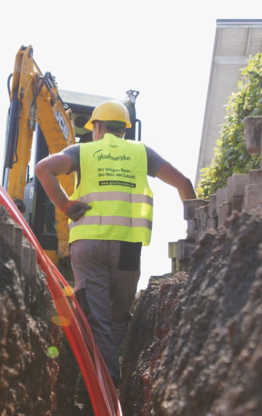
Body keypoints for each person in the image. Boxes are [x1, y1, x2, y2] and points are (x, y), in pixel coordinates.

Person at [35, 100, 196, 386]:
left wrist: (65, 205)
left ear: (97, 126)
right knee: (119, 315)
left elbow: (43, 168)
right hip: (127, 247)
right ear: (125, 129)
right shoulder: (141, 153)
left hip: (88, 245)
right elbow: (183, 183)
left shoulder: (82, 151)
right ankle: (107, 380)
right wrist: (195, 230)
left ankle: (103, 381)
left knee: (96, 317)